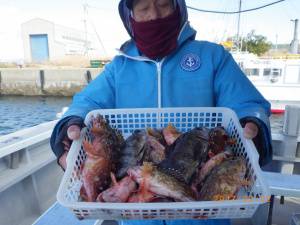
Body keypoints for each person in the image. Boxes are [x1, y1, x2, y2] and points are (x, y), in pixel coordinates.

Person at [50, 0, 273, 224]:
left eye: (163, 4)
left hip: (205, 217)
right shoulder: (119, 68)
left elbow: (247, 101)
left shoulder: (213, 56)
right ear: (131, 16)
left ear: (179, 8)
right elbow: (87, 102)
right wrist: (69, 125)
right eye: (143, 8)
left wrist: (252, 121)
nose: (154, 15)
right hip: (138, 217)